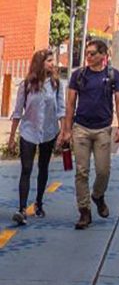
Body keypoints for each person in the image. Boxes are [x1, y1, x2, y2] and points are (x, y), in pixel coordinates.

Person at [59, 38, 119, 231]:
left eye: (92, 53)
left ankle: (98, 195)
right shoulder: (78, 75)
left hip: (103, 129)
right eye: (87, 53)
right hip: (81, 129)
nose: (88, 56)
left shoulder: (113, 75)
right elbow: (70, 103)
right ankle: (84, 211)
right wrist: (67, 130)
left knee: (103, 171)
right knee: (81, 171)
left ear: (103, 55)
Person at [8, 49, 65, 225]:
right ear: (40, 63)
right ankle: (22, 208)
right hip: (28, 131)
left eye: (52, 61)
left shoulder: (56, 84)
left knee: (43, 167)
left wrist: (64, 132)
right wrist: (12, 137)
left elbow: (61, 109)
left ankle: (39, 203)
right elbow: (18, 112)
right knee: (26, 169)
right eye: (49, 61)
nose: (52, 64)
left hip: (48, 132)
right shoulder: (27, 85)